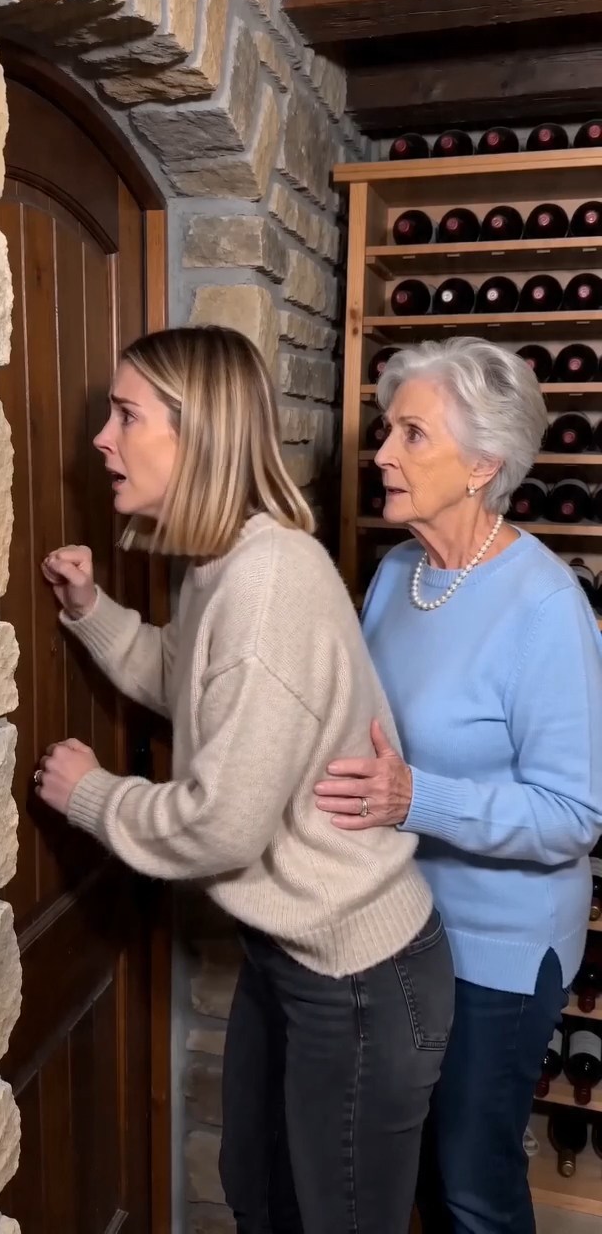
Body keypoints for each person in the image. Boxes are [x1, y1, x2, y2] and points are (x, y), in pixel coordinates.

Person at [35, 325, 454, 1234]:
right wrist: (92, 612)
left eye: (125, 414)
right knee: (259, 1192)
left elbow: (221, 823)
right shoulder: (224, 561)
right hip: (303, 957)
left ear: (199, 434)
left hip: (360, 974)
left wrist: (93, 795)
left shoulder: (267, 585)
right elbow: (192, 688)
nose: (102, 438)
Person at [315, 336, 602, 1234]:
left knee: (471, 1181)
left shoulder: (546, 607)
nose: (382, 453)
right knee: (409, 1171)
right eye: (385, 429)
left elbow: (572, 816)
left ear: (482, 464)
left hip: (499, 952)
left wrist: (413, 800)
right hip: (399, 925)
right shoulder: (398, 575)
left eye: (411, 435)